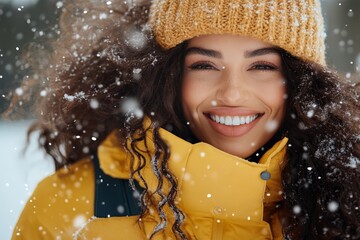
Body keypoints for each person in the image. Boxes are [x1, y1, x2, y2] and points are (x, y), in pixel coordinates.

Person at [11, 0, 360, 239]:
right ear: (168, 76)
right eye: (205, 65)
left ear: (302, 83)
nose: (233, 93)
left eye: (262, 66)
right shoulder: (69, 204)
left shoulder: (347, 202)